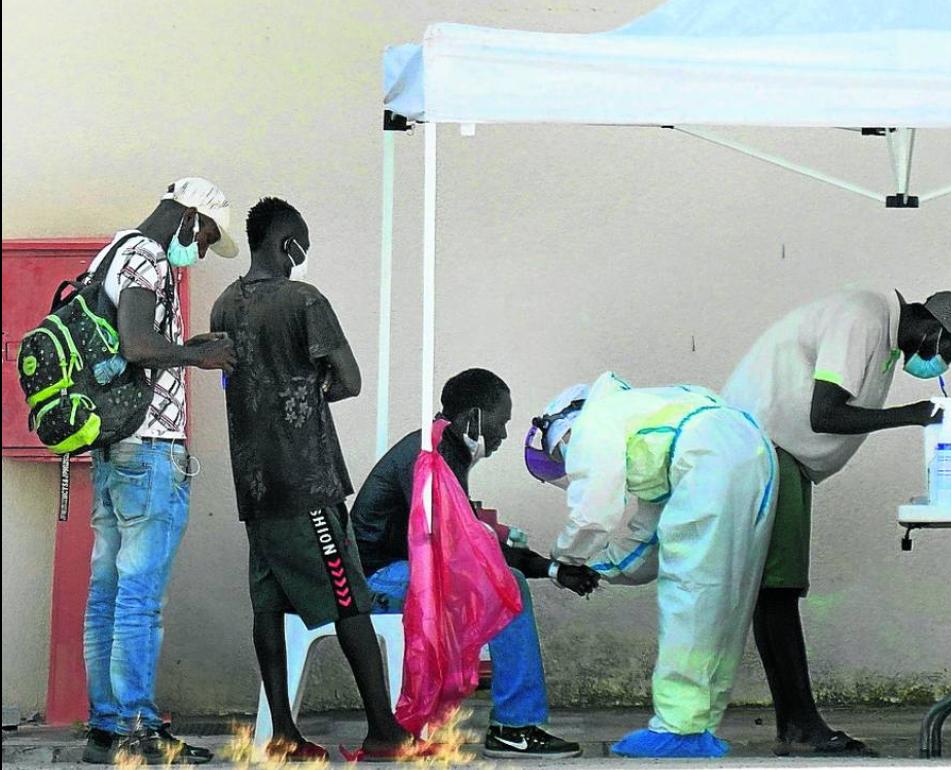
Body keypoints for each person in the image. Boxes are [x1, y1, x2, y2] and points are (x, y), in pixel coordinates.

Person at [720, 288, 951, 756]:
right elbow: (824, 414)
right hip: (767, 449)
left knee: (774, 592)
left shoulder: (881, 332)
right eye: (948, 352)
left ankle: (794, 725)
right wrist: (913, 415)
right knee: (777, 593)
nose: (940, 364)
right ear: (932, 328)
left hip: (779, 454)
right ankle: (801, 726)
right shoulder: (863, 318)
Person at [210, 197, 413, 762]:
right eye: (302, 246)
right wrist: (309, 386)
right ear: (285, 244)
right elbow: (349, 379)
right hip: (307, 482)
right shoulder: (304, 300)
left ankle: (282, 734)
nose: (303, 257)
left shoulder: (224, 306)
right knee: (349, 601)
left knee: (269, 607)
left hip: (254, 488)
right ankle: (383, 731)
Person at [527, 372, 777, 758]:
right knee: (727, 599)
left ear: (562, 431)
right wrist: (598, 567)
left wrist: (565, 558)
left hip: (709, 459)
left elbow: (592, 515)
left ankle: (678, 728)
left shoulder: (594, 421)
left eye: (561, 457)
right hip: (750, 452)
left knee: (691, 595)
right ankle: (701, 723)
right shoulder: (645, 422)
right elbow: (644, 544)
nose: (567, 465)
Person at [352, 368, 591, 760]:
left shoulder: (444, 449)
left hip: (404, 569)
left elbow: (467, 546)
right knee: (506, 585)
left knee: (506, 581)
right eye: (502, 422)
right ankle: (515, 726)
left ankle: (515, 721)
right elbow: (462, 552)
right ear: (475, 418)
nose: (504, 435)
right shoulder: (430, 456)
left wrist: (552, 569)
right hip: (378, 580)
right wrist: (544, 568)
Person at [81, 178, 238, 765]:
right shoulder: (148, 255)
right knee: (139, 597)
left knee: (108, 591)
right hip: (149, 450)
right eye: (205, 237)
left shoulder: (113, 250)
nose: (199, 250)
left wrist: (184, 344)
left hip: (115, 444)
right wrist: (195, 355)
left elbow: (138, 345)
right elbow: (140, 346)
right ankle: (138, 730)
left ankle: (106, 726)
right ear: (190, 218)